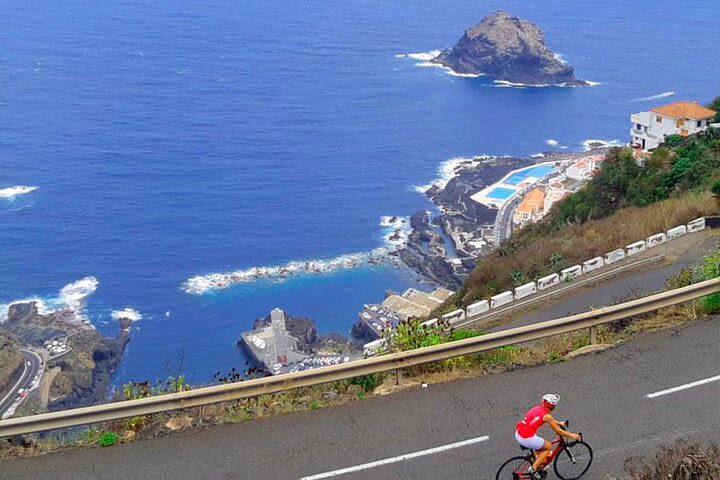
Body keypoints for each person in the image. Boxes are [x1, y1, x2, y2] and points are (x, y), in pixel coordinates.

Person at [515, 393, 581, 479]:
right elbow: (558, 431)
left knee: (540, 445)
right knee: (548, 446)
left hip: (519, 433)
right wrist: (573, 436)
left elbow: (549, 419)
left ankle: (538, 461)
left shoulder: (537, 408)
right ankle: (533, 469)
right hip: (527, 438)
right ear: (553, 406)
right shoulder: (547, 416)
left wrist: (558, 423)